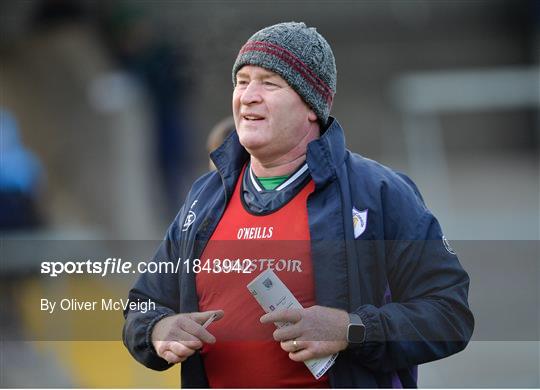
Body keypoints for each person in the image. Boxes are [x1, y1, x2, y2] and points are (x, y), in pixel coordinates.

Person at [123, 22, 474, 388]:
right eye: (242, 81)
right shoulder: (205, 197)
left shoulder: (379, 193)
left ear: (311, 106)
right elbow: (142, 305)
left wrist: (350, 328)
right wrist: (159, 329)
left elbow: (449, 315)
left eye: (269, 83)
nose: (248, 95)